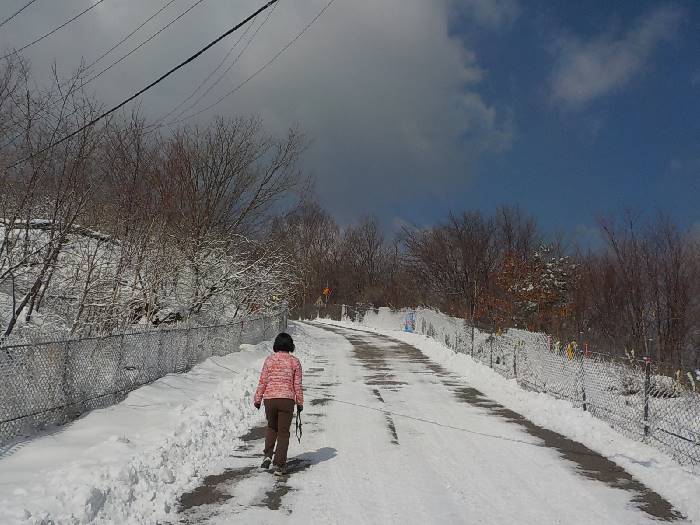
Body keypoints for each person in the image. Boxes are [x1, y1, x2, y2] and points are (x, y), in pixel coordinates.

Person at [254, 332, 304, 476]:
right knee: (283, 432)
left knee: (271, 428)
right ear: (290, 345)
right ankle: (279, 465)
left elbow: (263, 381)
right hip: (286, 401)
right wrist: (299, 402)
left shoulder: (269, 360)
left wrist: (258, 399)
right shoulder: (295, 362)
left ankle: (268, 456)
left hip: (270, 400)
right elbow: (297, 385)